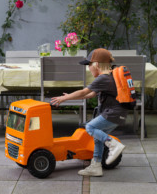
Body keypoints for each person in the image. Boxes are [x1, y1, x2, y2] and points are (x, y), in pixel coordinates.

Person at [50, 48, 126, 176]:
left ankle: (113, 145)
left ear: (96, 64)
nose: (88, 68)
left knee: (90, 127)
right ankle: (96, 166)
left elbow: (84, 91)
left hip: (112, 113)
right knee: (98, 138)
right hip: (119, 114)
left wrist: (64, 98)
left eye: (89, 65)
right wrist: (70, 96)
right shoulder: (110, 76)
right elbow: (90, 95)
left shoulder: (103, 78)